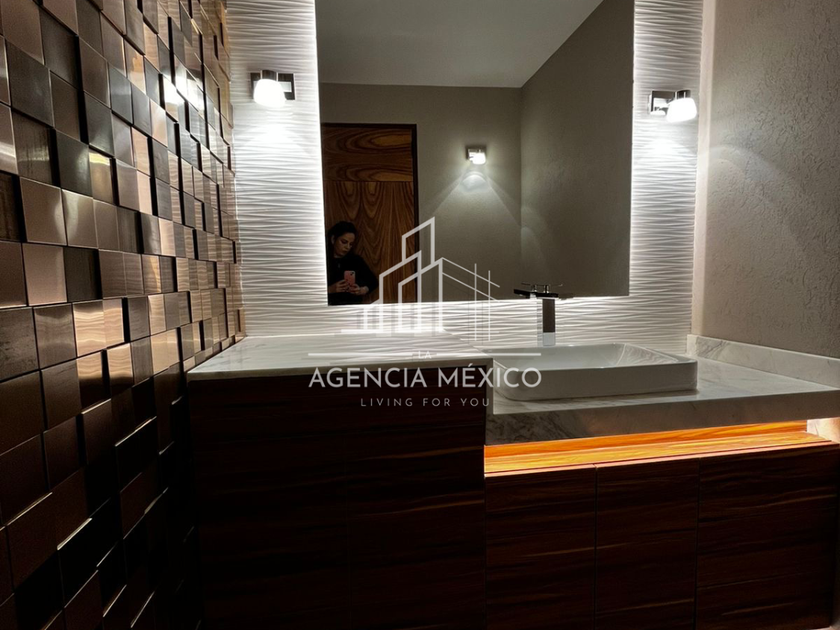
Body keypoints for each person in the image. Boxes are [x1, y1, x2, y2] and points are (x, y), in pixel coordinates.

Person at [326, 221, 379, 305]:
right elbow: (309, 290)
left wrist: (361, 290)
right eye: (344, 242)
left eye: (351, 244)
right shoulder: (322, 261)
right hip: (329, 309)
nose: (347, 247)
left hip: (353, 307)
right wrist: (329, 290)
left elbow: (373, 282)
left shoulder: (356, 260)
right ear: (333, 239)